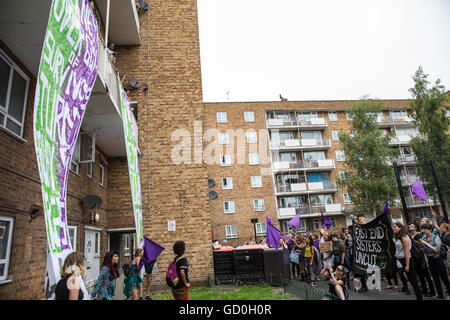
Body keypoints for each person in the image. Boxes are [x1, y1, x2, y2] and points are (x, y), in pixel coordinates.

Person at [392, 222, 422, 300]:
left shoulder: (404, 237)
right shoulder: (398, 237)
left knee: (413, 281)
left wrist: (407, 265)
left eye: (395, 227)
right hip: (402, 260)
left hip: (407, 260)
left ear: (400, 228)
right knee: (411, 280)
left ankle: (419, 297)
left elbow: (407, 251)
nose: (393, 228)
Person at [419, 223, 450, 299]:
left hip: (437, 259)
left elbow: (437, 250)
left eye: (426, 229)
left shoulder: (435, 237)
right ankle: (440, 294)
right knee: (435, 278)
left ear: (430, 230)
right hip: (430, 259)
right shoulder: (424, 237)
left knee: (444, 278)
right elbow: (424, 250)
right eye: (423, 229)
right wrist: (422, 247)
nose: (424, 230)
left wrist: (426, 243)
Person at [408, 222, 436, 297]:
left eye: (411, 226)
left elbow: (423, 244)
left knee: (426, 274)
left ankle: (432, 291)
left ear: (415, 228)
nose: (409, 227)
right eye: (409, 226)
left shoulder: (419, 235)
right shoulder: (410, 235)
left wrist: (419, 244)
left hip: (422, 257)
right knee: (420, 275)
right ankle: (424, 290)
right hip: (415, 257)